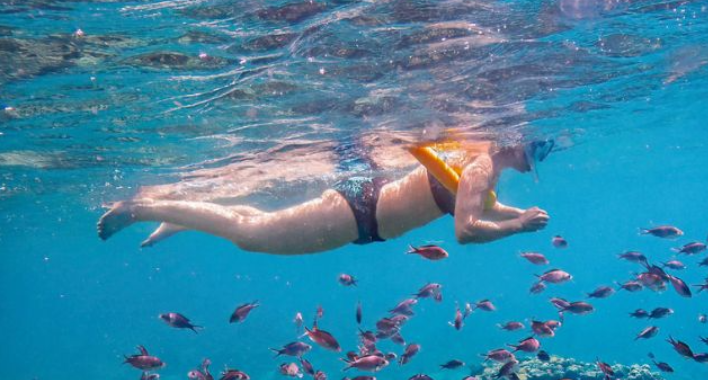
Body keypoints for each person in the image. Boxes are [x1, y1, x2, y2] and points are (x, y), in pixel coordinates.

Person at [97, 138, 554, 255]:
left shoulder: (480, 170)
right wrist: (519, 227)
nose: (542, 153)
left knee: (257, 224)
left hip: (362, 207)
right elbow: (466, 230)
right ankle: (141, 207)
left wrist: (518, 213)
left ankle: (186, 217)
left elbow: (482, 207)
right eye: (540, 145)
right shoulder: (477, 169)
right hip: (356, 216)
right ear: (515, 143)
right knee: (250, 236)